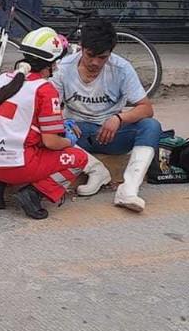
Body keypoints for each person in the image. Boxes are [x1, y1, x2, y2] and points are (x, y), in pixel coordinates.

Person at [0, 27, 106, 220]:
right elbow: (51, 142)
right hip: (17, 167)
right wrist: (69, 141)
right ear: (52, 63)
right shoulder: (45, 89)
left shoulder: (3, 79)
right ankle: (34, 194)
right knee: (78, 158)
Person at [51, 19, 163, 212]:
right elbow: (50, 110)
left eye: (102, 57)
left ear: (110, 53)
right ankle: (96, 171)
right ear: (81, 48)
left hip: (111, 134)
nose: (95, 62)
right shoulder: (63, 68)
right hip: (77, 135)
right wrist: (63, 125)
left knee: (151, 126)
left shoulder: (122, 68)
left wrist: (118, 119)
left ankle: (128, 190)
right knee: (45, 132)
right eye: (90, 55)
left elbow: (146, 108)